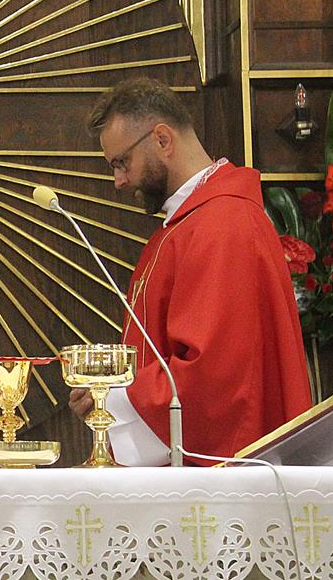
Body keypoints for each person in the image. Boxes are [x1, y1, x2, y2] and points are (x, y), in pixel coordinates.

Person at [69, 79, 312, 465]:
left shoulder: (222, 225)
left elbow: (213, 378)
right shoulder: (189, 225)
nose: (119, 181)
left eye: (121, 163)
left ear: (162, 140)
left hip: (225, 482)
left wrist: (114, 399)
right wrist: (109, 397)